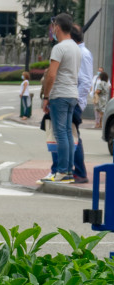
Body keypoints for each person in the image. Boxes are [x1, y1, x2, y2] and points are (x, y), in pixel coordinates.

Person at [40, 13, 80, 183]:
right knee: (68, 134)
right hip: (72, 94)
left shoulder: (59, 47)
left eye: (53, 26)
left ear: (57, 27)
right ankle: (69, 171)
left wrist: (46, 96)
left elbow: (51, 75)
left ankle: (62, 171)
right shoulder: (76, 47)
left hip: (60, 94)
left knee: (60, 134)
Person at [71, 23, 93, 183]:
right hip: (72, 100)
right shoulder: (76, 52)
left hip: (74, 102)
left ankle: (80, 172)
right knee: (71, 136)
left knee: (74, 136)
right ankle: (76, 170)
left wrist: (75, 101)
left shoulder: (82, 54)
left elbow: (85, 82)